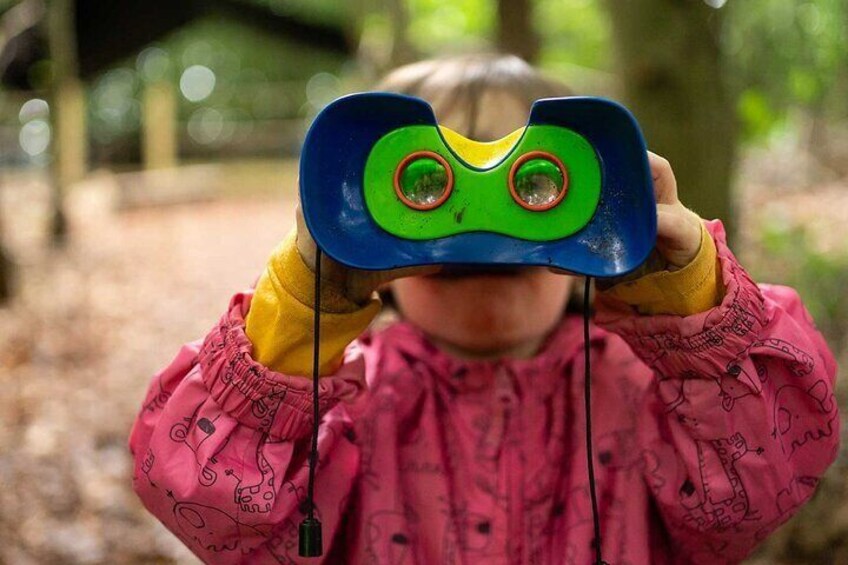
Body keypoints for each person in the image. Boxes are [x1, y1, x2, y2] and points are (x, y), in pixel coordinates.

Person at [129, 54, 839, 564]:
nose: (483, 233)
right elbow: (211, 508)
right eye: (423, 188)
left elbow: (768, 477)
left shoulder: (650, 396)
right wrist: (301, 307)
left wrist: (687, 296)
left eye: (534, 183)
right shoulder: (336, 410)